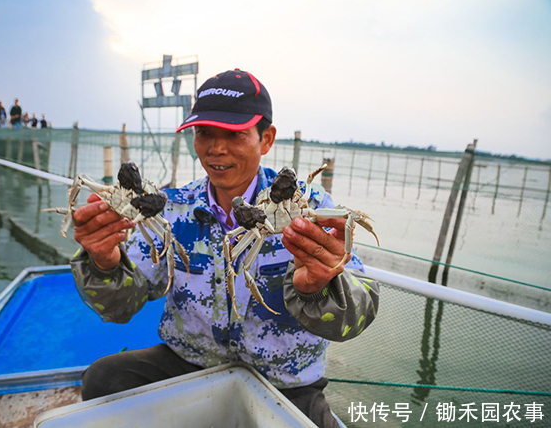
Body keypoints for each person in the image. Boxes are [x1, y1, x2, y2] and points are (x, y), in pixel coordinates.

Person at [71, 69, 379, 427]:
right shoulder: (171, 208)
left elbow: (354, 320)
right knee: (104, 378)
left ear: (267, 139)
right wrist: (105, 262)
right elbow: (121, 308)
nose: (216, 149)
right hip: (189, 364)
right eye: (205, 134)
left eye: (233, 134)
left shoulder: (312, 210)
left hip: (286, 382)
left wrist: (320, 289)